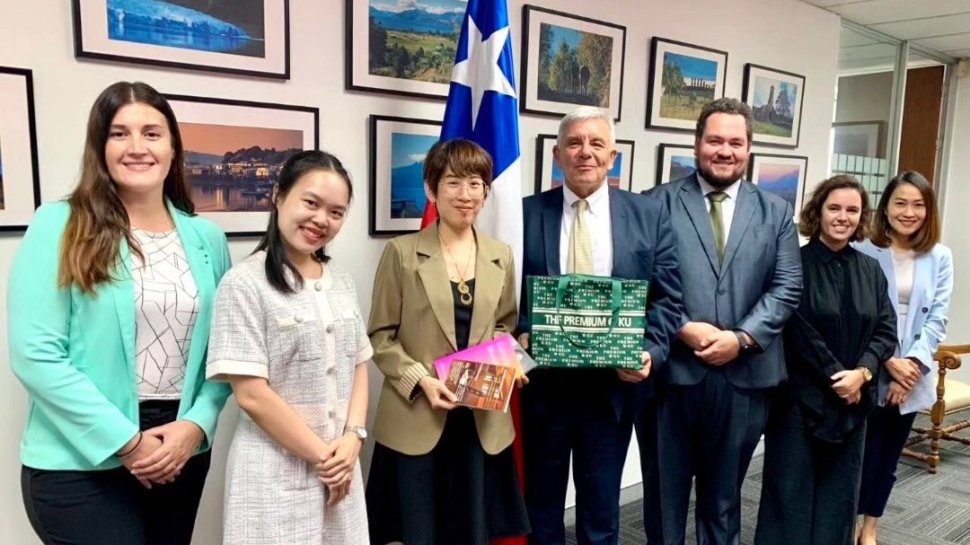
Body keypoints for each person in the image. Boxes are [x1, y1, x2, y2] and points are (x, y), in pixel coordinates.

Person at [8, 81, 232, 545]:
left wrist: (197, 425)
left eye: (152, 133)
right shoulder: (59, 224)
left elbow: (226, 351)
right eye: (119, 133)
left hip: (179, 451)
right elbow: (36, 354)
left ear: (173, 147)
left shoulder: (207, 238)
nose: (137, 147)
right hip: (80, 459)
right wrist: (127, 443)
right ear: (100, 146)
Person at [518, 106, 683, 545]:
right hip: (545, 388)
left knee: (601, 513)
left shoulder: (648, 215)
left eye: (596, 144)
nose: (585, 152)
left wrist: (650, 353)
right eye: (574, 143)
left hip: (613, 391)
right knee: (541, 511)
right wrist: (522, 333)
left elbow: (668, 300)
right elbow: (507, 298)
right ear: (557, 155)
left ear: (612, 156)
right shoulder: (525, 214)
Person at [644, 97, 802, 545]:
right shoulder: (655, 203)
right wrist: (680, 327)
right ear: (697, 144)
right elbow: (641, 280)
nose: (725, 151)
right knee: (663, 500)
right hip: (672, 375)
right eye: (715, 140)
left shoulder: (775, 211)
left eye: (735, 142)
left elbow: (787, 286)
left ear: (748, 149)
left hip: (745, 378)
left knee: (724, 500)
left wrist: (742, 337)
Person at [366, 139, 529, 545]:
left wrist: (510, 363)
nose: (466, 194)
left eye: (476, 184)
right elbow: (380, 336)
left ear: (486, 192)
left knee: (472, 530)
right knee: (419, 531)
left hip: (479, 419)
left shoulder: (501, 255)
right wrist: (421, 380)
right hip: (419, 413)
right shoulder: (402, 254)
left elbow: (504, 326)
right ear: (431, 189)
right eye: (453, 182)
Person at [205, 150, 370, 544]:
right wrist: (326, 459)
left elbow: (359, 364)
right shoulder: (244, 283)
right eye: (311, 203)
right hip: (274, 473)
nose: (321, 220)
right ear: (278, 195)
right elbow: (251, 395)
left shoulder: (341, 280)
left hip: (341, 465)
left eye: (336, 212)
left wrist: (353, 437)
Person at [754, 175, 896, 545]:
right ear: (818, 212)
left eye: (852, 210)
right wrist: (838, 377)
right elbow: (796, 329)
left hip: (853, 406)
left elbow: (886, 330)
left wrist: (862, 373)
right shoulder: (792, 264)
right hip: (799, 403)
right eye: (834, 208)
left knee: (839, 502)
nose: (843, 217)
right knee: (789, 500)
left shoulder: (871, 270)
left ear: (862, 216)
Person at [853, 171, 952, 545]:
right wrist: (887, 361)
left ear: (928, 210)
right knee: (860, 455)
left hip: (912, 371)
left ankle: (870, 527)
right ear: (885, 207)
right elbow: (861, 313)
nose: (909, 212)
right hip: (869, 365)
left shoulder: (940, 256)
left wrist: (909, 369)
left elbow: (937, 318)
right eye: (900, 203)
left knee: (888, 458)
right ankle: (849, 521)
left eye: (918, 205)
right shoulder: (864, 249)